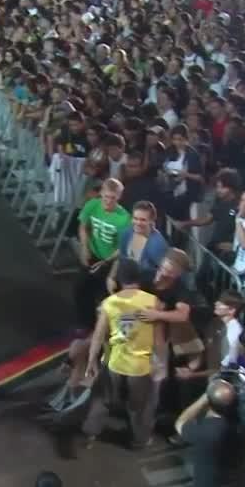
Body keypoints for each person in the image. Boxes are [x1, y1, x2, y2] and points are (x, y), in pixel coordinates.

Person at [83, 258, 166, 450]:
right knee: (139, 407)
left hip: (115, 362)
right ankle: (139, 440)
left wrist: (91, 361)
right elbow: (159, 339)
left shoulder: (109, 303)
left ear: (119, 279)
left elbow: (98, 336)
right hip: (140, 366)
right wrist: (160, 364)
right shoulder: (153, 302)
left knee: (102, 399)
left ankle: (91, 432)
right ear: (139, 277)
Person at [75, 178, 131, 328]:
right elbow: (83, 226)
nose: (108, 201)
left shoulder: (124, 219)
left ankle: (104, 331)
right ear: (101, 193)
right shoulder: (93, 205)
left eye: (113, 198)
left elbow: (123, 248)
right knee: (81, 289)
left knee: (105, 297)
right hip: (92, 254)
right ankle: (86, 325)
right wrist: (84, 247)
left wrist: (106, 262)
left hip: (110, 261)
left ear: (119, 197)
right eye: (106, 196)